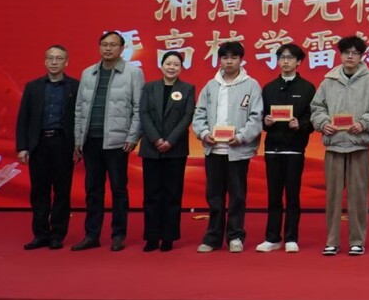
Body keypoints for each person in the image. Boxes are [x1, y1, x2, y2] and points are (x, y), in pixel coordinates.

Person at [310, 35, 369, 256]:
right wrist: (324, 124)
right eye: (346, 53)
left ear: (361, 56)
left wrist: (363, 124)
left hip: (359, 146)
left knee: (359, 195)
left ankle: (357, 240)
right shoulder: (328, 81)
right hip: (334, 145)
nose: (350, 57)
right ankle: (332, 240)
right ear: (340, 55)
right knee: (332, 196)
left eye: (354, 53)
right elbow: (317, 108)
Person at [72, 31, 144, 252]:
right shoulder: (88, 73)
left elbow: (139, 108)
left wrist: (132, 136)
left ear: (122, 48)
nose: (108, 48)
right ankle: (91, 235)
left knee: (118, 189)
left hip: (117, 141)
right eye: (104, 44)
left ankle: (118, 235)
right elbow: (79, 109)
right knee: (93, 190)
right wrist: (78, 139)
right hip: (90, 140)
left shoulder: (133, 73)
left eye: (113, 45)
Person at [192, 42, 263, 253]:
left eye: (234, 57)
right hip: (213, 150)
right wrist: (204, 133)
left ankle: (235, 236)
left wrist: (241, 137)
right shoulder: (210, 86)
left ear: (241, 60)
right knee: (214, 197)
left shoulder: (251, 85)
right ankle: (212, 238)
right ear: (220, 60)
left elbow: (256, 117)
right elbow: (199, 113)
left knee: (237, 196)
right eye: (225, 58)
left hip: (238, 151)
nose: (229, 62)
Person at [16, 45, 80, 250]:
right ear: (45, 61)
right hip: (39, 144)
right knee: (39, 191)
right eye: (50, 58)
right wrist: (22, 147)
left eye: (59, 58)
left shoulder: (75, 86)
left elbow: (80, 118)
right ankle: (40, 234)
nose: (54, 62)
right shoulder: (33, 87)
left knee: (62, 191)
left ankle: (57, 234)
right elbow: (23, 118)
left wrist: (78, 145)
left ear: (66, 62)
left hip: (63, 144)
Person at [255, 44, 316, 254]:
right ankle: (272, 238)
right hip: (272, 149)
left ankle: (291, 237)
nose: (286, 61)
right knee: (273, 196)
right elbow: (260, 116)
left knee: (292, 195)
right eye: (282, 57)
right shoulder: (269, 88)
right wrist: (266, 121)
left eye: (290, 58)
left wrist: (301, 124)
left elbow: (312, 118)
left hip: (294, 149)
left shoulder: (307, 88)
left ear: (299, 62)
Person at [137, 51, 195, 252]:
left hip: (175, 149)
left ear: (181, 68)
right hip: (151, 148)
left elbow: (187, 116)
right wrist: (156, 139)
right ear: (161, 65)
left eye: (176, 64)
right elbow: (143, 113)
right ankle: (152, 237)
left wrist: (170, 140)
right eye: (168, 63)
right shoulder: (149, 87)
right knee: (151, 194)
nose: (172, 67)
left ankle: (168, 237)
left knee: (172, 194)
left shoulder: (187, 89)